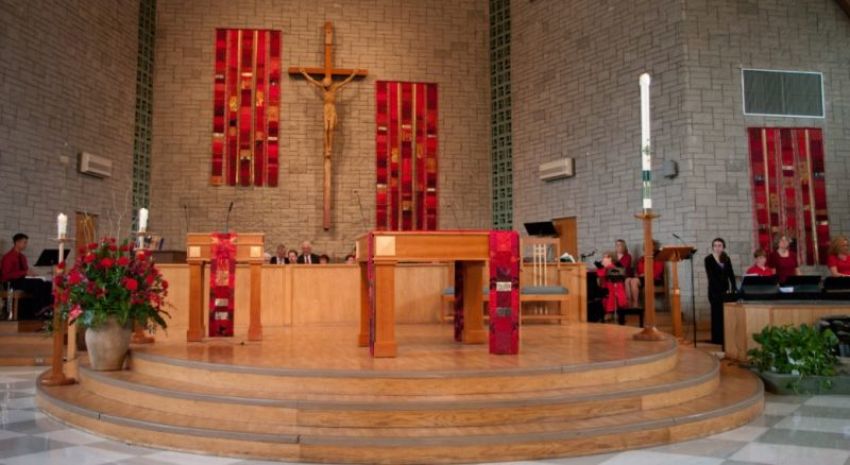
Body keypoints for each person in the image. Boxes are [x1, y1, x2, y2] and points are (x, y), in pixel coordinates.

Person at [0, 233, 52, 320]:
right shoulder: (8, 257)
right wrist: (24, 273)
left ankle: (46, 308)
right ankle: (37, 309)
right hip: (11, 283)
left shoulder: (22, 257)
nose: (26, 245)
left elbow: (25, 272)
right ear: (17, 242)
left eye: (26, 243)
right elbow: (6, 275)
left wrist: (31, 274)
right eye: (24, 242)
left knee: (47, 284)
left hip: (21, 281)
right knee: (38, 283)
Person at [704, 237, 737, 347]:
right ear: (713, 247)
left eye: (719, 246)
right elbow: (711, 277)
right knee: (716, 315)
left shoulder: (726, 258)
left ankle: (724, 338)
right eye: (715, 246)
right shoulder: (708, 259)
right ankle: (716, 339)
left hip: (725, 291)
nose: (717, 248)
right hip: (714, 291)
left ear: (723, 247)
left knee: (724, 315)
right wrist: (720, 291)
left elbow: (731, 274)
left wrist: (734, 288)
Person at [625, 242, 664, 309]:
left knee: (634, 281)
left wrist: (646, 274)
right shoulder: (642, 259)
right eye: (645, 247)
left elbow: (658, 272)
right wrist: (637, 274)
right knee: (627, 280)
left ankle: (635, 304)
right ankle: (629, 303)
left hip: (654, 279)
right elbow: (638, 270)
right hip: (642, 278)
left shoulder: (657, 258)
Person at [596, 252, 627, 320]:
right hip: (608, 286)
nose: (603, 259)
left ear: (611, 259)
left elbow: (602, 275)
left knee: (610, 294)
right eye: (603, 257)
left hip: (614, 287)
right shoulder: (606, 267)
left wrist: (601, 268)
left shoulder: (611, 267)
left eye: (605, 257)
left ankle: (610, 312)